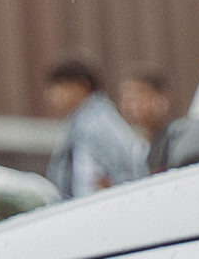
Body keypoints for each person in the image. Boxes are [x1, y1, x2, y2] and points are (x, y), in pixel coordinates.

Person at [45, 55, 151, 192]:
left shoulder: (96, 123)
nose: (51, 94)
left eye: (59, 85)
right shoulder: (82, 121)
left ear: (81, 85)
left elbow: (118, 173)